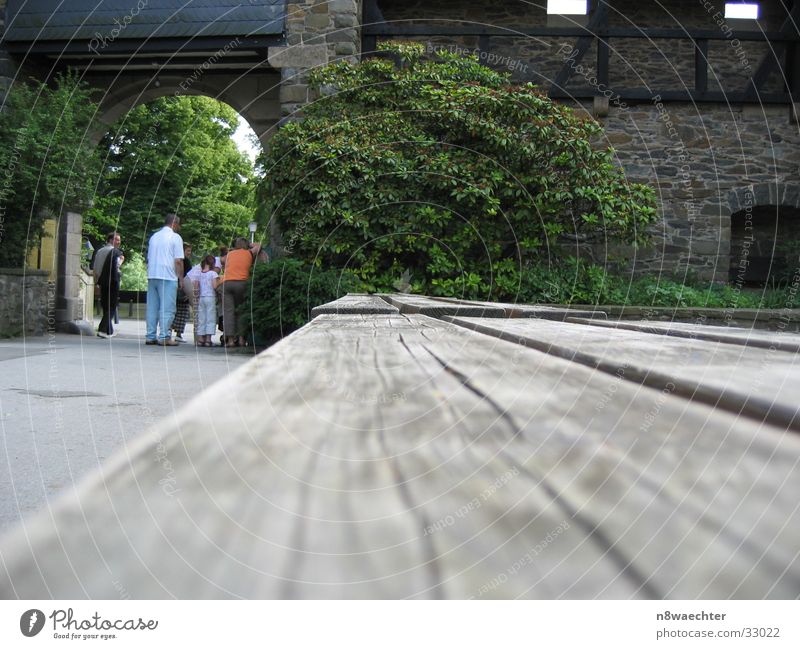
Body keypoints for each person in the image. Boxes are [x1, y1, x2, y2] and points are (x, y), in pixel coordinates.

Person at [145, 213, 184, 346]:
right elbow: (178, 261)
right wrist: (181, 278)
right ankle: (164, 336)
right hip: (167, 276)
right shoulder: (175, 237)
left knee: (152, 307)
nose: (179, 228)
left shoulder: (154, 237)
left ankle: (150, 336)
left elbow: (149, 258)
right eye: (178, 225)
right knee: (167, 308)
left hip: (152, 274)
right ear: (174, 224)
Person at [217, 237, 259, 347]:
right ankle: (241, 339)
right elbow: (258, 246)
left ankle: (230, 340)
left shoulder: (230, 254)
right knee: (241, 311)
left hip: (227, 283)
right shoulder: (249, 253)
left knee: (228, 312)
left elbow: (222, 260)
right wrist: (250, 245)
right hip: (242, 283)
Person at [93, 232, 124, 339]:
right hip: (112, 281)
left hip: (102, 281)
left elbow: (96, 269)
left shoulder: (100, 251)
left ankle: (109, 331)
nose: (119, 242)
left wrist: (96, 283)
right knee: (112, 305)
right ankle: (102, 329)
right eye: (117, 240)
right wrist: (121, 261)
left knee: (106, 306)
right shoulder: (115, 252)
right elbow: (116, 266)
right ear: (111, 240)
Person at [187, 254, 220, 347]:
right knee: (210, 318)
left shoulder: (200, 274)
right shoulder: (213, 274)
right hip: (210, 297)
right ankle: (208, 339)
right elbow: (214, 286)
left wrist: (196, 296)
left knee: (201, 318)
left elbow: (196, 286)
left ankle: (200, 338)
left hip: (201, 298)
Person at [171, 242, 193, 341]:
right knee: (183, 311)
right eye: (188, 250)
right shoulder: (186, 262)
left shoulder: (173, 260)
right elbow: (189, 276)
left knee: (173, 310)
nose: (189, 253)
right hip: (182, 287)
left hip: (173, 287)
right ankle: (178, 334)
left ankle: (168, 331)